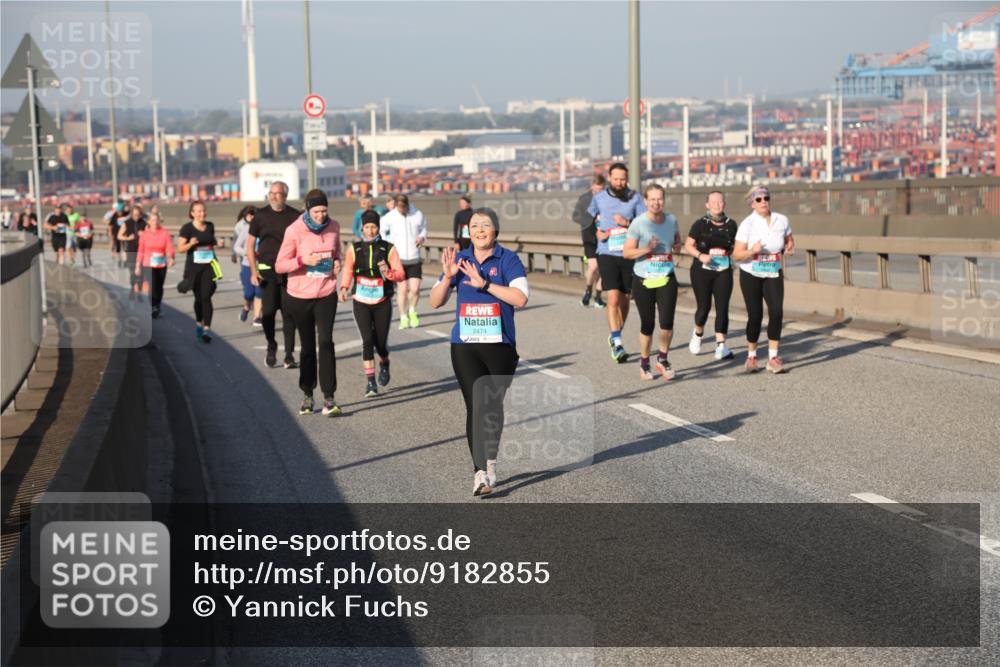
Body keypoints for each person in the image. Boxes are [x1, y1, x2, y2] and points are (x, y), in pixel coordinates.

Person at [429, 208, 529, 497]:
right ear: (467, 231)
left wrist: (485, 284)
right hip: (465, 345)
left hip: (501, 347)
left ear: (495, 230)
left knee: (492, 407)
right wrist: (448, 278)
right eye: (474, 226)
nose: (480, 230)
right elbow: (435, 301)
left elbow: (520, 298)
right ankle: (479, 473)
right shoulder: (459, 260)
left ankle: (491, 460)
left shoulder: (508, 259)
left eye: (485, 225)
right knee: (476, 405)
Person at [275, 189, 343, 417]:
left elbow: (337, 253)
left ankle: (329, 397)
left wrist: (336, 264)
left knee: (325, 342)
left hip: (326, 292)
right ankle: (307, 394)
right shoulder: (294, 231)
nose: (321, 216)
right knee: (306, 348)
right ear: (307, 209)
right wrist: (304, 260)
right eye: (316, 212)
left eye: (324, 211)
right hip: (299, 296)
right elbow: (280, 265)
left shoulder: (334, 226)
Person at [339, 210, 405, 397]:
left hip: (382, 300)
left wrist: (388, 272)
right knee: (367, 340)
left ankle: (384, 362)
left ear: (378, 227)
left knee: (380, 342)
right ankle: (370, 382)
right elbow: (348, 270)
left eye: (373, 226)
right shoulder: (354, 248)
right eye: (367, 227)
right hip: (361, 300)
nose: (370, 230)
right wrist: (344, 287)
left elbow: (400, 274)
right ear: (362, 228)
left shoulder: (388, 248)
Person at [732, 185, 795, 374]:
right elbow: (736, 254)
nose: (763, 202)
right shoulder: (747, 224)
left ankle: (773, 357)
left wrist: (789, 247)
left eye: (766, 198)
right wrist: (752, 251)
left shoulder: (781, 220)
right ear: (752, 203)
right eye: (758, 199)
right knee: (756, 315)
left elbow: (789, 239)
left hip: (773, 272)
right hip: (751, 273)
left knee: (776, 312)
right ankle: (751, 356)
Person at [588, 162, 646, 362]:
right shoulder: (599, 197)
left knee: (625, 299)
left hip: (629, 254)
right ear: (609, 178)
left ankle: (615, 334)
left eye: (623, 179)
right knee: (612, 298)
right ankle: (618, 342)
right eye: (616, 179)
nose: (620, 182)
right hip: (607, 252)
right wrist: (597, 231)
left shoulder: (635, 197)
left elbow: (644, 222)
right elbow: (589, 219)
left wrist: (627, 223)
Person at [622, 184, 682, 381]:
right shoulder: (638, 224)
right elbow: (627, 252)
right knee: (647, 324)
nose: (657, 203)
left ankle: (663, 359)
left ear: (664, 200)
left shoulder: (671, 220)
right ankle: (644, 363)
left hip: (666, 277)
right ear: (646, 202)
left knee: (667, 322)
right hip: (644, 279)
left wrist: (677, 246)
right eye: (652, 199)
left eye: (660, 199)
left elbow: (676, 241)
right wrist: (647, 249)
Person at [248, 181, 301, 369]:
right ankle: (271, 344)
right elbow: (250, 245)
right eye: (271, 193)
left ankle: (288, 355)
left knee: (289, 315)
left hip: (289, 272)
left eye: (277, 193)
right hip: (267, 273)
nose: (273, 196)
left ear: (285, 195)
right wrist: (253, 272)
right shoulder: (260, 216)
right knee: (268, 313)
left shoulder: (296, 216)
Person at [684, 191, 739, 361]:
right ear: (707, 205)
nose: (716, 204)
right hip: (702, 271)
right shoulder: (700, 224)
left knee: (722, 307)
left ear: (724, 204)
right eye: (713, 202)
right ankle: (698, 333)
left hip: (723, 271)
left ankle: (721, 346)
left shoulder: (732, 225)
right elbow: (688, 245)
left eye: (720, 201)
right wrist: (701, 256)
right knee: (704, 308)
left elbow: (737, 247)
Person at [379, 193, 427, 329]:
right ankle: (403, 316)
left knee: (415, 289)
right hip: (398, 259)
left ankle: (412, 310)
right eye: (399, 208)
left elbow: (424, 228)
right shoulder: (390, 217)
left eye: (403, 207)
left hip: (414, 257)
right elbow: (382, 232)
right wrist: (389, 245)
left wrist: (422, 237)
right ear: (395, 205)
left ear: (406, 205)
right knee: (403, 290)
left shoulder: (417, 214)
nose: (401, 210)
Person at [177, 200, 220, 343]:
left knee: (206, 297)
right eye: (199, 211)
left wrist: (217, 242)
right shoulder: (187, 228)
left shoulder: (210, 226)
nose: (202, 213)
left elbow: (211, 242)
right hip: (194, 269)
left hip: (209, 267)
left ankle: (207, 329)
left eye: (204, 210)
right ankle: (199, 324)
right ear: (192, 213)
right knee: (199, 299)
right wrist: (190, 243)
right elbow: (180, 248)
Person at [573, 174, 607, 309]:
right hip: (590, 238)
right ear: (592, 186)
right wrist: (589, 221)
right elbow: (575, 216)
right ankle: (588, 291)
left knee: (603, 270)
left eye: (601, 189)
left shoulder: (609, 199)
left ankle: (598, 297)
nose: (599, 192)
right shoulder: (584, 198)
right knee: (593, 267)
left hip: (605, 239)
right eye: (597, 189)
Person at [135, 212, 175, 318]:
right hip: (148, 264)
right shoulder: (145, 234)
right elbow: (140, 250)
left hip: (161, 263)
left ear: (159, 221)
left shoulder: (164, 232)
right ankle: (153, 306)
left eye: (156, 220)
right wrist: (138, 265)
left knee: (159, 287)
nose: (155, 222)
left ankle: (158, 305)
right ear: (148, 222)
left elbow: (169, 246)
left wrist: (171, 257)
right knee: (152, 286)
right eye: (152, 220)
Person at [233, 205, 263, 324]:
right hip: (247, 264)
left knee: (260, 292)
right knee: (249, 293)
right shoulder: (246, 230)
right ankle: (246, 308)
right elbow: (236, 246)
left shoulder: (264, 229)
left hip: (261, 265)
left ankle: (257, 317)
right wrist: (247, 253)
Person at [118, 205, 147, 295]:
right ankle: (133, 286)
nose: (136, 217)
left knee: (141, 270)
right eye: (134, 215)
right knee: (132, 270)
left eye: (138, 215)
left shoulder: (144, 223)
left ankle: (138, 286)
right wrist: (128, 238)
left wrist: (144, 234)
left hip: (141, 250)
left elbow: (149, 236)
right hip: (130, 250)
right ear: (131, 214)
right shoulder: (126, 223)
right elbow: (119, 236)